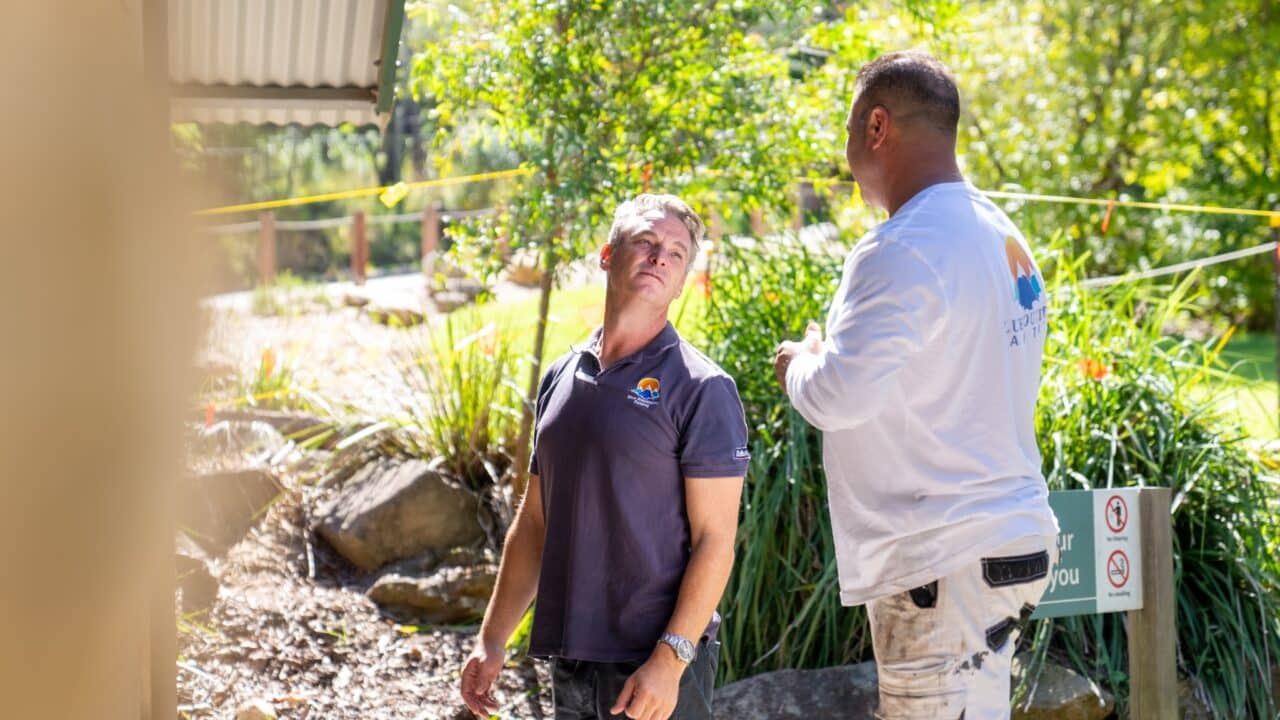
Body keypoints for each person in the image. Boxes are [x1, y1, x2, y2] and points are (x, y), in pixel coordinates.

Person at [772, 51, 1059, 720]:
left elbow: (838, 397)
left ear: (876, 127)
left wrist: (798, 363)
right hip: (1004, 542)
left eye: (848, 130)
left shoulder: (902, 246)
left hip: (944, 559)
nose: (846, 151)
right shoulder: (1003, 234)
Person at [461, 194, 750, 720]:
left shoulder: (702, 388)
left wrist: (670, 661)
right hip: (572, 656)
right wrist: (493, 637)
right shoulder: (561, 377)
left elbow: (717, 541)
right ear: (607, 254)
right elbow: (534, 522)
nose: (661, 255)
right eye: (646, 241)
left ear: (682, 281)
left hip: (653, 665)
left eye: (677, 252)